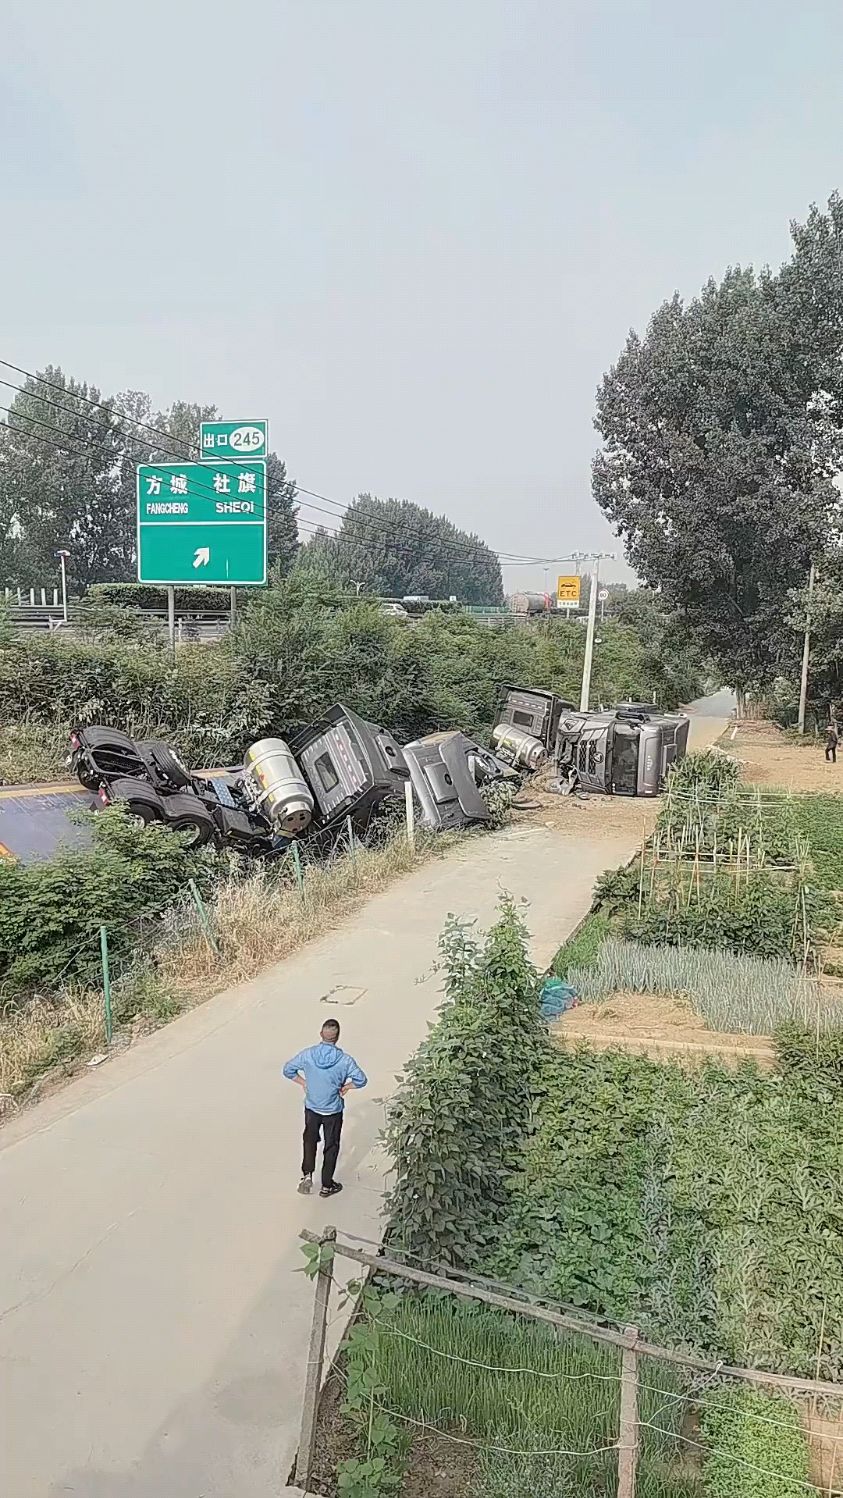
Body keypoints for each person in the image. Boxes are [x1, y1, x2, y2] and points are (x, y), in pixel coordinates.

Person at [283, 1019, 367, 1198]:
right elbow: (361, 1080)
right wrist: (346, 1087)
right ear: (337, 1038)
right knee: (331, 1146)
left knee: (309, 1140)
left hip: (312, 1108)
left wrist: (304, 1083)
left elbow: (288, 1070)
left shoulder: (307, 1055)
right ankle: (327, 1185)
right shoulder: (345, 1060)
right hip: (333, 1111)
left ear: (321, 1034)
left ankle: (307, 1176)